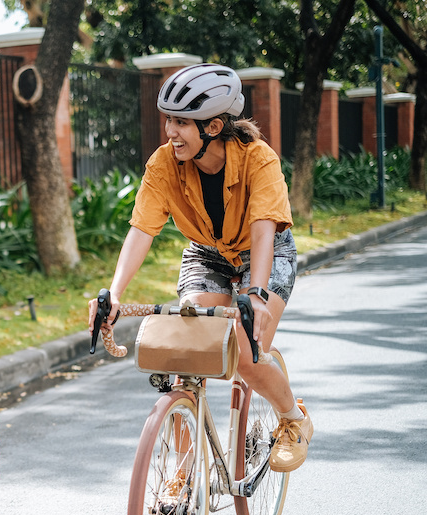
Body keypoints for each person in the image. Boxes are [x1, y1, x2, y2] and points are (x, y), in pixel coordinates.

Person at [88, 63, 313, 481]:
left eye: (181, 122)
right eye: (168, 120)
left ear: (212, 126)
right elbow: (142, 229)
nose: (170, 131)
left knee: (246, 355)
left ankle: (292, 418)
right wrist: (115, 292)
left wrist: (257, 294)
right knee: (185, 350)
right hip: (207, 252)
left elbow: (264, 229)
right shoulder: (164, 164)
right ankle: (186, 471)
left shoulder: (258, 159)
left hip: (262, 253)